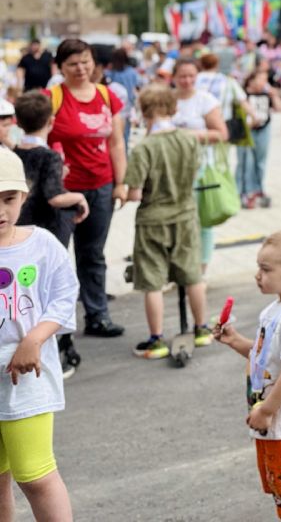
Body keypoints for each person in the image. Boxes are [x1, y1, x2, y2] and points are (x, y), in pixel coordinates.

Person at [215, 228, 281, 522]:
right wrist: (235, 341)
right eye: (258, 268)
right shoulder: (276, 309)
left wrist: (266, 411)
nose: (258, 275)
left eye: (266, 269)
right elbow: (266, 356)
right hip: (273, 416)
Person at [0, 146, 79, 521]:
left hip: (26, 382)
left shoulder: (41, 244)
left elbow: (64, 296)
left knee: (35, 475)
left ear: (24, 195)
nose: (1, 211)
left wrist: (34, 339)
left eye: (8, 199)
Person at [45, 39, 127, 339]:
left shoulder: (106, 95)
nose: (80, 69)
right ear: (60, 67)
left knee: (93, 254)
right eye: (72, 64)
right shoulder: (52, 98)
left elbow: (116, 143)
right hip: (62, 192)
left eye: (85, 62)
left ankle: (97, 316)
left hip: (101, 186)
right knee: (56, 256)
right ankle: (53, 325)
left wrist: (121, 183)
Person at [125, 84, 209, 359]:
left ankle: (156, 340)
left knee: (152, 281)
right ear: (173, 108)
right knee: (193, 274)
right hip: (185, 214)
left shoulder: (144, 148)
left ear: (144, 111)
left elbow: (135, 193)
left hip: (152, 220)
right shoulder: (189, 140)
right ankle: (202, 329)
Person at [12, 92, 87, 380]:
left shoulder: (12, 153)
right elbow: (54, 196)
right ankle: (62, 348)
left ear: (18, 121)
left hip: (20, 229)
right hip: (48, 229)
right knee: (53, 290)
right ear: (51, 121)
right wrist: (79, 197)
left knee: (24, 290)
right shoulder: (50, 156)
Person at [172, 57, 230, 274]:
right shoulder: (168, 100)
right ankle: (180, 268)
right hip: (172, 170)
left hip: (200, 170)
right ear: (174, 77)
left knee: (201, 221)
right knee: (177, 221)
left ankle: (200, 270)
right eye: (182, 76)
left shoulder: (206, 100)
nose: (187, 81)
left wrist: (187, 135)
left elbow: (222, 134)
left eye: (191, 76)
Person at [239, 69, 280, 210]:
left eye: (265, 80)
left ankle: (258, 189)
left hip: (264, 129)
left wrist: (275, 96)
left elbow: (279, 108)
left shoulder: (266, 94)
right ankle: (244, 191)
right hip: (247, 131)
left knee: (260, 161)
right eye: (261, 79)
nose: (264, 83)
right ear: (251, 80)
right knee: (246, 163)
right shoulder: (243, 95)